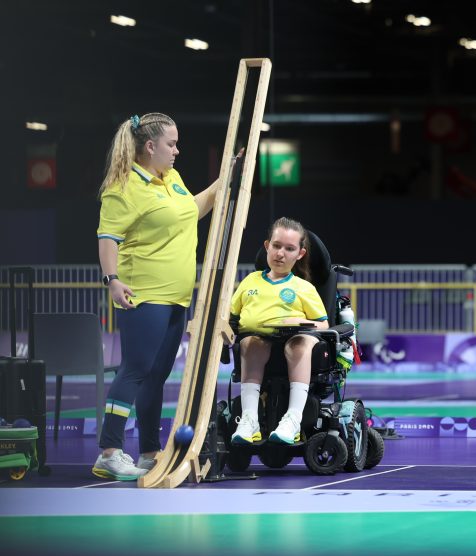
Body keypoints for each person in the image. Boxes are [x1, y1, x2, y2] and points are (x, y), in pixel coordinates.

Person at [93, 113, 232, 481]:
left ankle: (149, 451)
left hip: (178, 295)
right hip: (144, 292)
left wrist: (227, 179)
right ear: (150, 146)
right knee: (136, 369)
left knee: (156, 375)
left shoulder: (172, 179)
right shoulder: (123, 187)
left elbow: (193, 212)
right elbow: (108, 238)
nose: (177, 150)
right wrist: (112, 279)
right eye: (171, 144)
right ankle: (109, 450)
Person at [230, 217, 329, 445]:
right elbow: (231, 316)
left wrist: (301, 322)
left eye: (289, 248)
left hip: (295, 340)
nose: (280, 253)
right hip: (258, 340)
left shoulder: (304, 288)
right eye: (276, 246)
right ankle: (249, 421)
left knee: (299, 345)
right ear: (267, 246)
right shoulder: (249, 281)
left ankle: (293, 419)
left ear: (300, 254)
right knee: (249, 344)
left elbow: (323, 324)